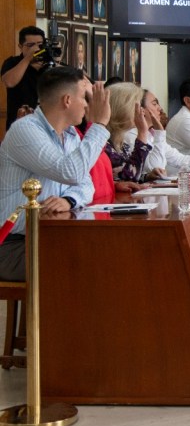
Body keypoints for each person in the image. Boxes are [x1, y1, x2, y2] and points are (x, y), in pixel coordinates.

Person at [0, 67, 110, 282]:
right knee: (83, 264)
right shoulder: (25, 129)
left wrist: (69, 200)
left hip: (48, 236)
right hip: (11, 244)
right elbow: (70, 172)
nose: (87, 105)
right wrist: (99, 125)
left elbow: (86, 184)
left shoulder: (70, 135)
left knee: (102, 252)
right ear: (67, 100)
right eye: (85, 98)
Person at [136, 90, 190, 178]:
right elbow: (156, 169)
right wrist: (159, 132)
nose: (160, 108)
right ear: (141, 109)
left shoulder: (150, 134)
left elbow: (180, 159)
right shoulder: (133, 135)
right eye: (154, 104)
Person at [103, 83, 154, 184]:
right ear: (122, 108)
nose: (142, 112)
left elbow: (125, 173)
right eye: (136, 106)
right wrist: (142, 133)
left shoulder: (119, 139)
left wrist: (147, 176)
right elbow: (129, 177)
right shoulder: (103, 142)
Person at [2, 26, 47, 129]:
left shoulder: (49, 65)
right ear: (20, 46)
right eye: (30, 45)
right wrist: (28, 58)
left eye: (39, 45)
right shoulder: (12, 62)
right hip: (19, 125)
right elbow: (9, 82)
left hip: (45, 124)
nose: (36, 49)